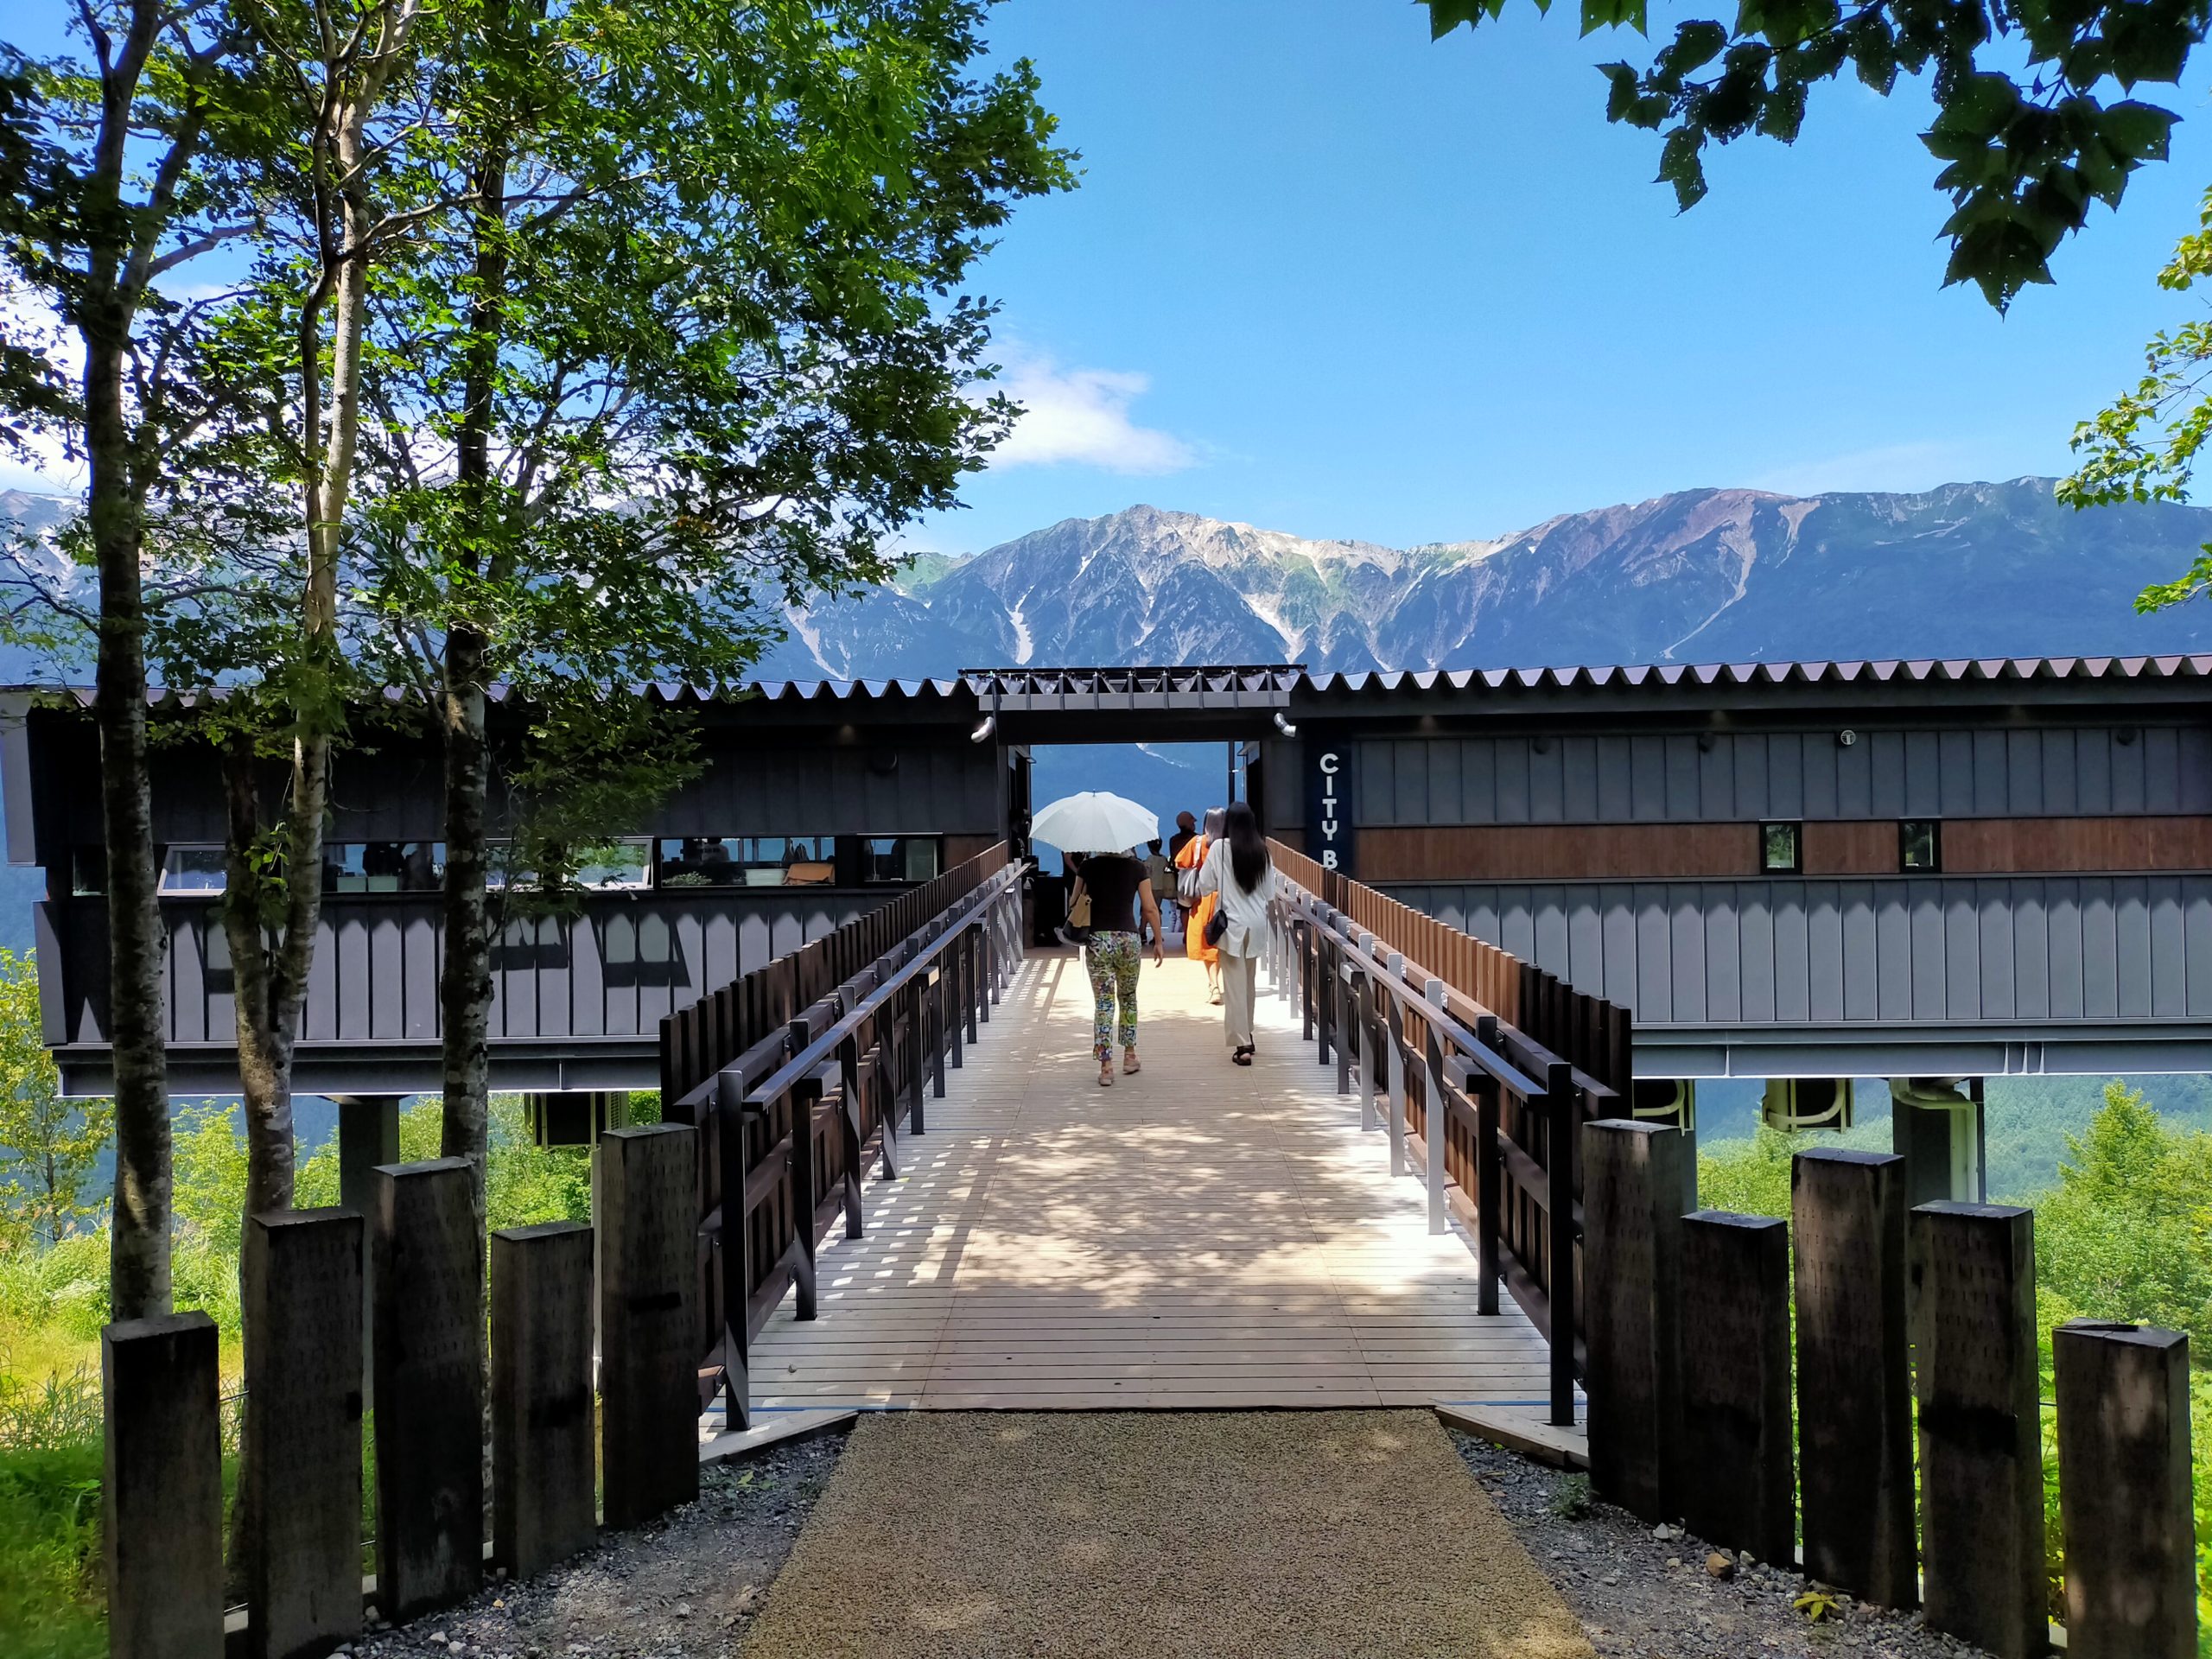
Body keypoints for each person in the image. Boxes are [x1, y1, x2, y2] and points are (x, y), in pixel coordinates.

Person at [1067, 846, 1164, 1087]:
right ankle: (1130, 1056)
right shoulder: (1137, 868)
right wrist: (1159, 941)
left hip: (1098, 940)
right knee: (1128, 997)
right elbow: (1149, 907)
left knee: (1104, 1003)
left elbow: (1073, 903)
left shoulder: (1088, 867)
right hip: (1128, 940)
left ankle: (1106, 1066)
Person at [1195, 802, 1273, 1065]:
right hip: (1257, 925)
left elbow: (1205, 885)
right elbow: (1269, 893)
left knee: (1234, 987)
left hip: (1232, 926)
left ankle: (1243, 1046)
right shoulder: (1262, 851)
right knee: (1249, 983)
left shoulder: (1218, 848)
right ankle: (1248, 1032)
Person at [1176, 807, 1225, 1002]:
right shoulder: (1229, 845)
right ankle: (1220, 982)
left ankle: (1214, 984)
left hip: (1203, 899)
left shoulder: (1198, 843)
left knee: (1207, 941)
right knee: (1222, 942)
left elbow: (1179, 862)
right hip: (1227, 897)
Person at [1143, 838, 1175, 938]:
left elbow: (1147, 872)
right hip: (1160, 889)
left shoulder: (1150, 859)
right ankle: (1157, 935)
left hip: (1150, 888)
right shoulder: (1164, 859)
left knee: (1145, 910)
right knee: (1157, 910)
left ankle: (1142, 931)